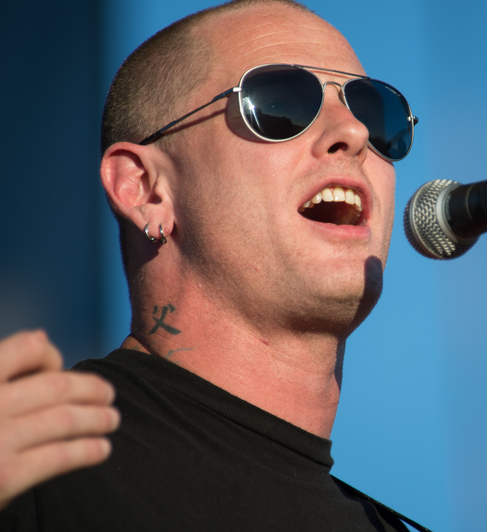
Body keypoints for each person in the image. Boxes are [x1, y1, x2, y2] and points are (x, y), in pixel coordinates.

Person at [0, 0, 422, 529]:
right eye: (281, 103)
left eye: (373, 110)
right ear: (146, 189)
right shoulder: (36, 464)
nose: (355, 133)